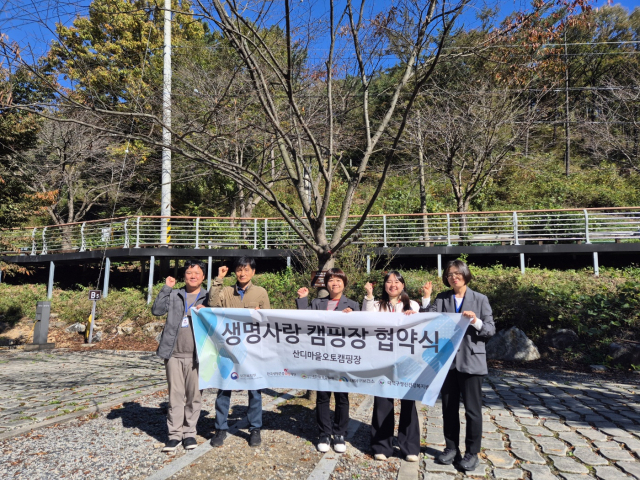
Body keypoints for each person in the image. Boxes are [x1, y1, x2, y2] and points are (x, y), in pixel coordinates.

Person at [421, 259, 495, 471]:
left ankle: (472, 453)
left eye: (456, 273)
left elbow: (490, 330)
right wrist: (426, 299)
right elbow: (428, 322)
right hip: (447, 362)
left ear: (465, 274)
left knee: (472, 410)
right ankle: (451, 448)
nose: (453, 277)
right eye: (449, 274)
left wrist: (475, 322)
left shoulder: (480, 299)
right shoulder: (442, 298)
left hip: (472, 360)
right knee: (448, 408)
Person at [206, 256, 270, 448]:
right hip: (227, 347)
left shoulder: (260, 292)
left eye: (247, 270)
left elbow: (268, 321)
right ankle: (220, 428)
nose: (243, 273)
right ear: (235, 272)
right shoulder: (225, 290)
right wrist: (219, 279)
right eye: (240, 270)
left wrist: (260, 316)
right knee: (224, 388)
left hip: (251, 349)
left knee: (255, 390)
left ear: (253, 272)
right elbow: (212, 305)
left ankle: (255, 428)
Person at [296, 268, 360, 454]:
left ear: (344, 283)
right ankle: (324, 433)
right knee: (323, 396)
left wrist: (352, 317)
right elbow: (302, 321)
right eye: (331, 280)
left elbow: (362, 329)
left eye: (339, 280)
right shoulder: (317, 303)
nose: (335, 283)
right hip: (322, 356)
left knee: (342, 397)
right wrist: (302, 299)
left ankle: (339, 433)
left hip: (343, 358)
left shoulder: (353, 305)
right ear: (326, 284)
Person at [362, 271, 421, 463]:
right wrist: (369, 296)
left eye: (397, 282)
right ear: (384, 286)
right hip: (382, 360)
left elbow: (423, 327)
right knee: (382, 402)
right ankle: (381, 445)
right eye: (389, 282)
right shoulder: (377, 305)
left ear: (403, 285)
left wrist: (415, 314)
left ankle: (410, 447)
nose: (393, 285)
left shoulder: (412, 305)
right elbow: (365, 321)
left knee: (408, 402)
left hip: (407, 361)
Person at [152, 259, 209, 453]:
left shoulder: (208, 297)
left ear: (203, 277)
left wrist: (209, 310)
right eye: (189, 273)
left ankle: (189, 432)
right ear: (184, 276)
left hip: (197, 356)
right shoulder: (175, 293)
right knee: (175, 395)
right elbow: (157, 310)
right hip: (173, 353)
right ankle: (174, 435)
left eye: (197, 273)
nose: (193, 276)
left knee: (194, 396)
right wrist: (166, 289)